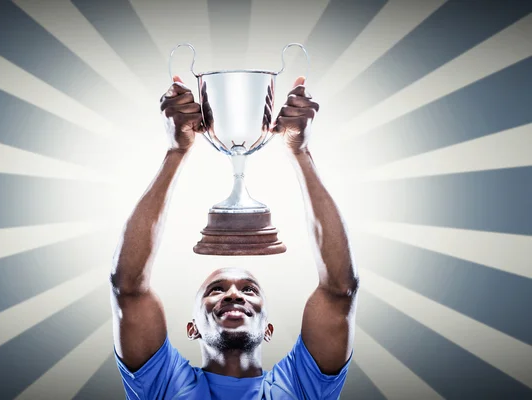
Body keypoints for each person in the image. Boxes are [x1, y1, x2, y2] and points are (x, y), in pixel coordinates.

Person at [110, 75, 359, 400]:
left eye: (249, 290)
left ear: (268, 329)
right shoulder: (164, 382)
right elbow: (127, 288)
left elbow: (340, 290)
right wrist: (176, 150)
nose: (232, 294)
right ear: (193, 327)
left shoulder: (299, 384)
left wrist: (300, 153)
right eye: (215, 290)